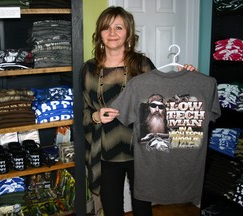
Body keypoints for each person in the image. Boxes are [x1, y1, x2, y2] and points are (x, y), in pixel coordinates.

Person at [81, 6, 196, 216]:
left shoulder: (142, 66)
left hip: (140, 151)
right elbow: (81, 110)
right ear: (99, 34)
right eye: (106, 28)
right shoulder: (88, 70)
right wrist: (96, 116)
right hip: (105, 150)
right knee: (112, 208)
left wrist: (188, 80)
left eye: (119, 27)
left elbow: (165, 100)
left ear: (129, 33)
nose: (112, 33)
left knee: (143, 208)